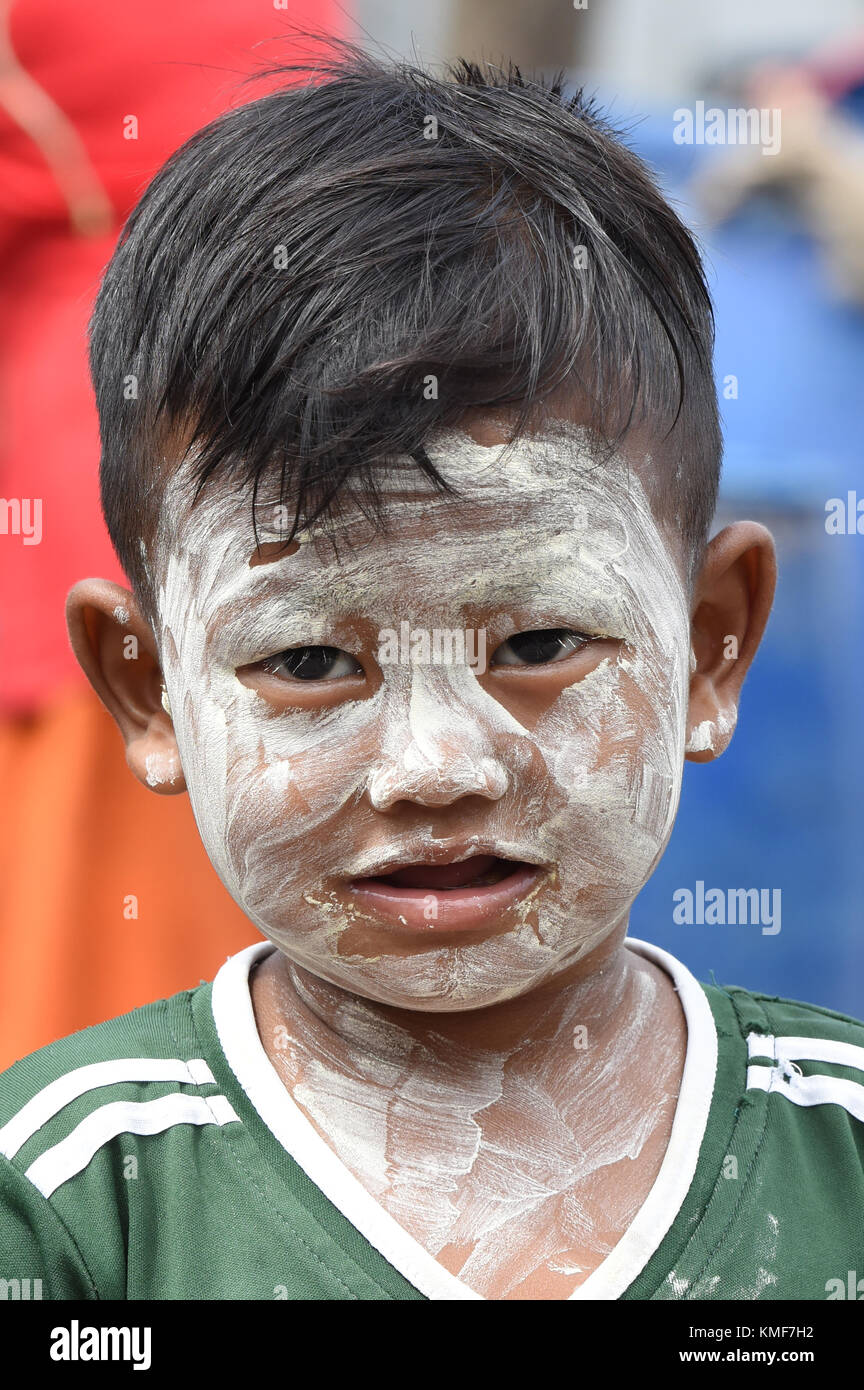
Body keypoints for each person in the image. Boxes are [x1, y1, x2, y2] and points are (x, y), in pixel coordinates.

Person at [1, 40, 862, 1302]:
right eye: (308, 660)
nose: (434, 767)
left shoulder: (837, 1160)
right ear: (150, 690)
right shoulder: (73, 1207)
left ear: (711, 645)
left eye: (537, 647)